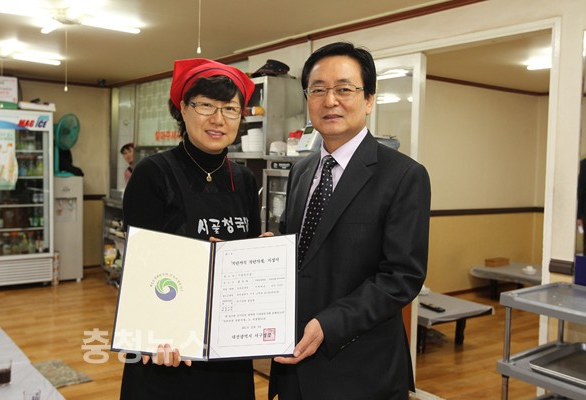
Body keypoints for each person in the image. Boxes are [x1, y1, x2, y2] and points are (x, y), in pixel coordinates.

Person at [269, 42, 431, 399]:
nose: (330, 101)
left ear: (369, 99)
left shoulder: (403, 176)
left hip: (361, 372)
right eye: (318, 90)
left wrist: (330, 323)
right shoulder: (301, 171)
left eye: (344, 89)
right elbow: (302, 250)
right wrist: (269, 253)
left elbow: (402, 277)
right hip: (294, 365)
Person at [120, 58, 260, 400]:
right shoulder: (153, 173)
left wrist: (260, 257)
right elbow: (140, 269)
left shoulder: (244, 180)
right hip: (169, 346)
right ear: (182, 109)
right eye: (206, 105)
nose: (218, 119)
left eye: (230, 109)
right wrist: (153, 333)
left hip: (228, 347)